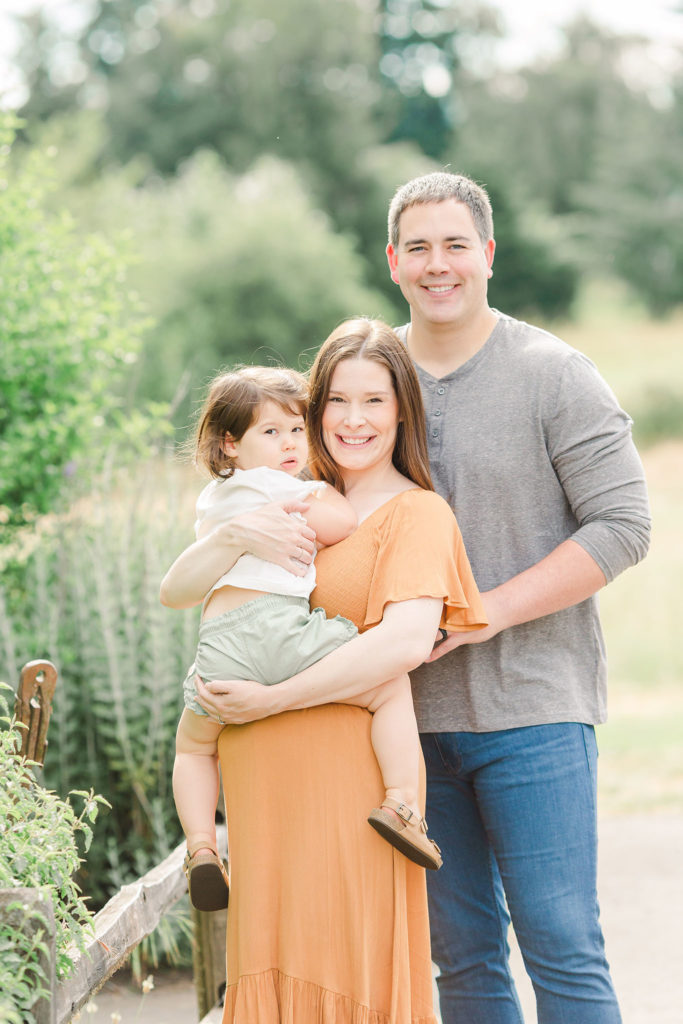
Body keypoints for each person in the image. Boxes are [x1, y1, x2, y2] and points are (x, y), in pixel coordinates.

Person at [380, 172, 651, 1023]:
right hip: (405, 725)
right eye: (417, 247)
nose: (437, 264)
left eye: (454, 244)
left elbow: (622, 525)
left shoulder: (552, 373)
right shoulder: (365, 378)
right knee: (459, 961)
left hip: (534, 711)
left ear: (487, 255)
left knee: (561, 947)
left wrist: (483, 610)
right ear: (392, 261)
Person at [160, 318, 487, 1022]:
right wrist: (231, 537)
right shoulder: (280, 500)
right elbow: (176, 590)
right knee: (271, 969)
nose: (352, 419)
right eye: (335, 401)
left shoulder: (415, 514)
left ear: (402, 409)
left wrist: (269, 699)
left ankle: (402, 805)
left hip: (342, 794)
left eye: (373, 401)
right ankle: (201, 848)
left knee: (343, 969)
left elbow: (401, 647)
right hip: (259, 788)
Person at [168, 365, 442, 915]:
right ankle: (403, 803)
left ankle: (201, 846)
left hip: (220, 642)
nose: (290, 444)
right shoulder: (287, 490)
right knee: (388, 686)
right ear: (231, 443)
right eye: (271, 433)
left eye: (296, 430)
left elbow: (179, 588)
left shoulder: (214, 499)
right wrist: (317, 489)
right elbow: (340, 523)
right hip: (278, 627)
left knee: (193, 746)